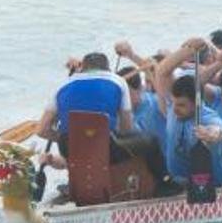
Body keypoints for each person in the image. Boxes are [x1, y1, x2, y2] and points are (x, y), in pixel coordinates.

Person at [37, 52, 166, 185]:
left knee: (79, 146)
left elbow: (42, 130)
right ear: (107, 69)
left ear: (84, 68)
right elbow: (126, 129)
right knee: (151, 142)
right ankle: (165, 183)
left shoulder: (61, 86)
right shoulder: (117, 81)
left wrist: (73, 138)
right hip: (106, 149)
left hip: (70, 150)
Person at [148, 40, 222, 187]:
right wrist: (187, 50)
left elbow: (218, 131)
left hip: (212, 187)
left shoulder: (208, 117)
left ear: (196, 103)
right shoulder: (172, 107)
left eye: (182, 105)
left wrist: (210, 135)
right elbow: (162, 71)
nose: (175, 109)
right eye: (175, 103)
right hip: (179, 183)